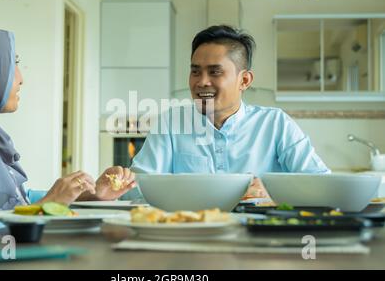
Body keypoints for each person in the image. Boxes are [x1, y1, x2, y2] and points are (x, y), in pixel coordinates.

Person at [0, 20, 137, 243]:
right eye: (14, 62)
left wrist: (89, 193)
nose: (22, 78)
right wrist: (43, 208)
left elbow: (17, 201)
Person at [125, 25, 329, 200]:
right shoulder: (171, 123)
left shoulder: (276, 123)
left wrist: (275, 192)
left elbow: (322, 184)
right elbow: (137, 188)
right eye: (195, 71)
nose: (201, 81)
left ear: (245, 81)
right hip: (191, 233)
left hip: (258, 237)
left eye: (215, 72)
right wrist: (112, 187)